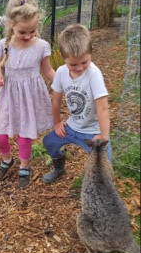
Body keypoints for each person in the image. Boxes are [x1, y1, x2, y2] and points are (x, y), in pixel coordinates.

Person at [0, 0, 55, 188]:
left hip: (30, 98)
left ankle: (24, 166)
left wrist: (64, 84)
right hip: (9, 97)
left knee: (24, 136)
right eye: (22, 32)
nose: (28, 36)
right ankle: (7, 160)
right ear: (11, 25)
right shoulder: (3, 46)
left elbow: (48, 71)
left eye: (32, 31)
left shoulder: (41, 46)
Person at [42, 23, 111, 184]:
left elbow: (103, 107)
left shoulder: (94, 74)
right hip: (72, 126)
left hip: (92, 130)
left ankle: (103, 189)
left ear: (90, 53)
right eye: (73, 64)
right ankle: (59, 169)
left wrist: (103, 137)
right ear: (63, 57)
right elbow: (56, 100)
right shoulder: (60, 72)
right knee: (49, 142)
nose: (79, 68)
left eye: (84, 62)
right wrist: (57, 123)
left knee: (105, 166)